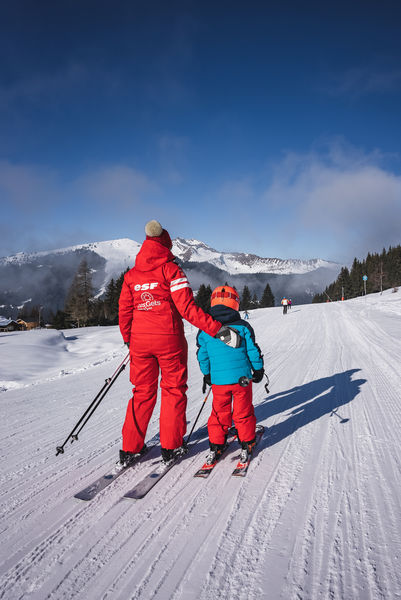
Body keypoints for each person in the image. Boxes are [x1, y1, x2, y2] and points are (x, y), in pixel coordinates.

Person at [118, 220, 239, 466]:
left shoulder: (131, 276)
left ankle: (130, 448)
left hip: (140, 344)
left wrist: (130, 339)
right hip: (168, 341)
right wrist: (219, 330)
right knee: (173, 390)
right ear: (165, 244)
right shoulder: (171, 271)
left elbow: (124, 312)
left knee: (141, 392)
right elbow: (188, 309)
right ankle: (170, 447)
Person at [196, 285, 264, 465]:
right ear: (235, 303)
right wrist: (258, 369)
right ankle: (247, 442)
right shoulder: (243, 327)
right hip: (242, 380)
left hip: (219, 381)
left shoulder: (205, 328)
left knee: (219, 412)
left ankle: (216, 444)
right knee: (243, 411)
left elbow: (202, 355)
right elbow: (252, 350)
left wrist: (207, 374)